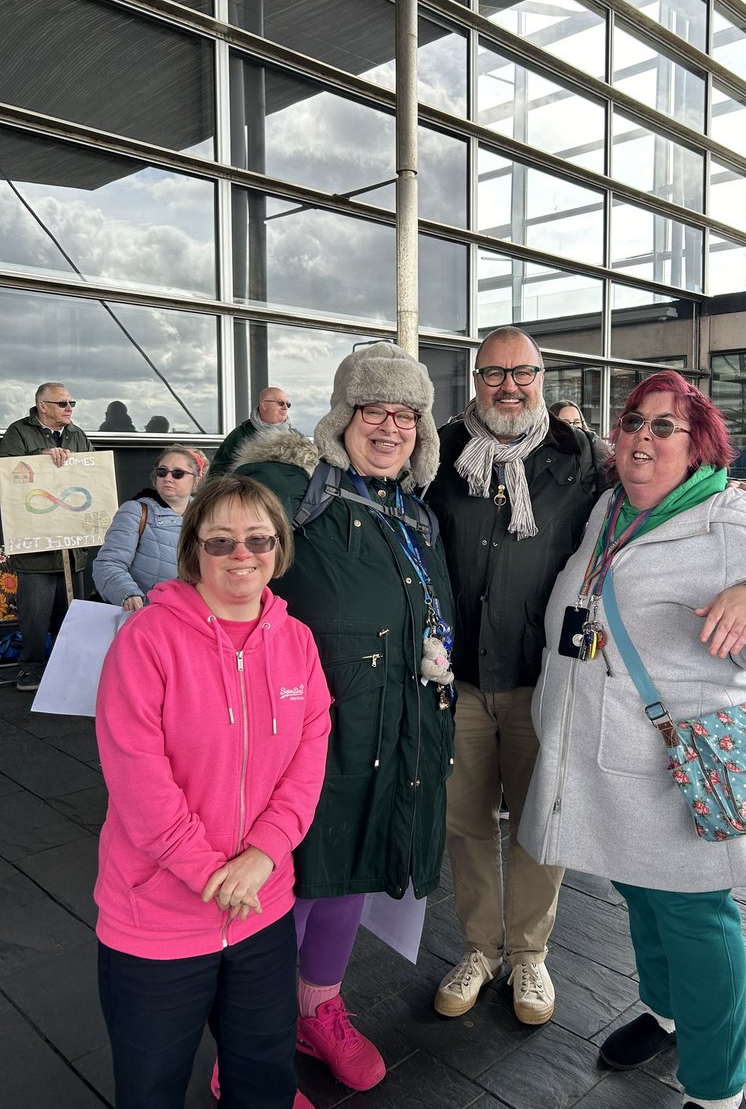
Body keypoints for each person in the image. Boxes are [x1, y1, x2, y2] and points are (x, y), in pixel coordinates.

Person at [518, 371, 746, 1109]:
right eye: (634, 423)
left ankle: (718, 1088)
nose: (642, 438)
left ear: (698, 448)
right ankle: (666, 1012)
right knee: (640, 897)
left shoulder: (725, 521)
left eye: (663, 427)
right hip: (603, 758)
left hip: (682, 771)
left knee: (695, 917)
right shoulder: (609, 509)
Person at [234, 342, 454, 1091]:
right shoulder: (289, 486)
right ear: (342, 415)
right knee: (285, 886)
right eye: (374, 411)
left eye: (406, 415)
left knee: (348, 873)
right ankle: (251, 1054)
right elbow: (216, 568)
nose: (390, 427)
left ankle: (317, 1010)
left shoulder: (409, 512)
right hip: (293, 741)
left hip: (387, 730)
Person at [94, 475, 331, 1109]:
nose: (240, 555)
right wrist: (212, 874)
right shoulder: (145, 640)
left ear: (278, 549)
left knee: (263, 1080)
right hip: (157, 918)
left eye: (258, 539)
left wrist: (262, 856)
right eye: (220, 540)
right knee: (151, 1090)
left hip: (261, 909)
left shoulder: (298, 642)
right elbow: (138, 778)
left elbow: (308, 762)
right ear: (193, 548)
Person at [426, 327, 604, 1026]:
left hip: (546, 680)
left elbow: (612, 549)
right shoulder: (436, 453)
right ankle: (479, 948)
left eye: (522, 373)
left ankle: (528, 954)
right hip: (458, 676)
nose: (508, 386)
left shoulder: (582, 458)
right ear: (474, 379)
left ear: (542, 375)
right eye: (494, 373)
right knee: (466, 822)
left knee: (541, 822)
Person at [0, 383, 94, 692]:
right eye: (63, 403)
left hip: (71, 545)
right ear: (43, 406)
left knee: (71, 610)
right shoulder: (18, 432)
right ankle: (30, 668)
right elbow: (7, 471)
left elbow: (92, 474)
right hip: (36, 546)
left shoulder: (77, 434)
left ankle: (67, 665)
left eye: (72, 402)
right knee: (34, 614)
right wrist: (43, 456)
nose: (70, 408)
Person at [93, 447, 202, 610]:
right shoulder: (135, 511)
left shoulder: (207, 515)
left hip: (191, 614)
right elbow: (109, 563)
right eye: (162, 472)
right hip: (146, 614)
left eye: (178, 473)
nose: (168, 478)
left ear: (196, 480)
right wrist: (128, 593)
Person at [209, 387, 296, 479]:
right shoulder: (240, 435)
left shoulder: (295, 438)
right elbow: (217, 472)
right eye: (280, 403)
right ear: (264, 405)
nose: (285, 408)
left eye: (288, 404)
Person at [550, 398, 613, 464]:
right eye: (566, 422)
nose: (573, 427)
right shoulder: (545, 449)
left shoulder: (593, 443)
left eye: (577, 422)